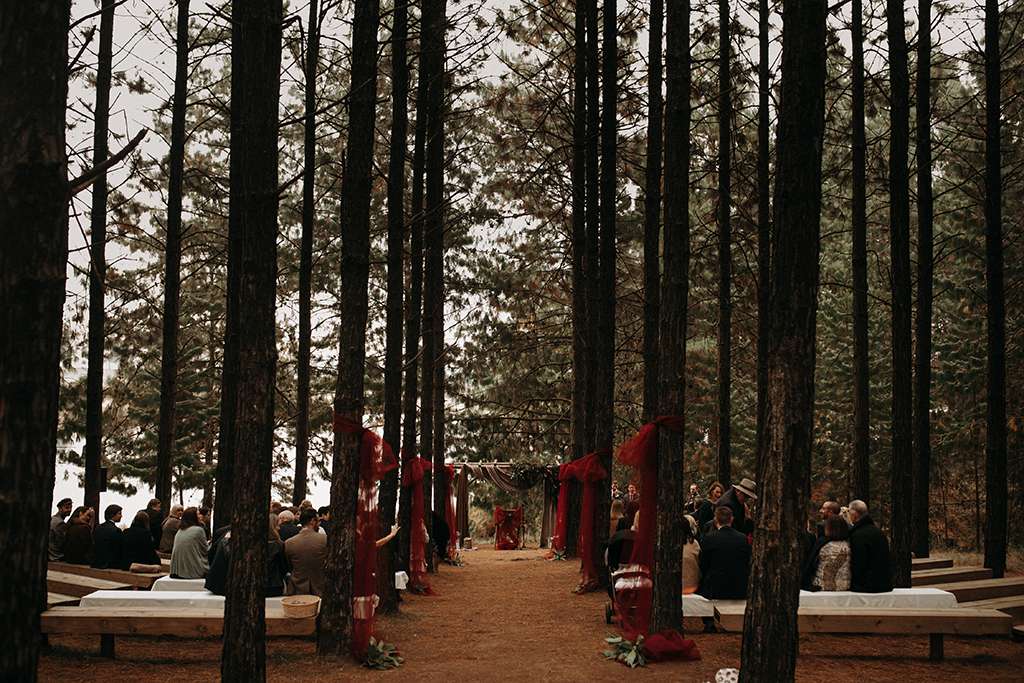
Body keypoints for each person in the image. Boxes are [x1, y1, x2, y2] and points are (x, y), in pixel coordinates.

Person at [697, 506, 751, 600]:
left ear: (715, 520)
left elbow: (703, 564)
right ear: (732, 519)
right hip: (738, 587)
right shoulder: (742, 538)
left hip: (715, 588)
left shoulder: (709, 538)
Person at [847, 499, 892, 593]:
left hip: (866, 586)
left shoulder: (858, 535)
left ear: (855, 513)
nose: (848, 515)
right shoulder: (878, 532)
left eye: (849, 512)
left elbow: (858, 563)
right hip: (884, 583)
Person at [285, 507, 327, 596]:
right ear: (312, 521)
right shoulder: (324, 540)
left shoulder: (289, 543)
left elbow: (289, 565)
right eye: (318, 521)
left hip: (297, 588)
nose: (319, 523)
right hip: (320, 586)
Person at [803, 516, 852, 591]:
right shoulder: (849, 545)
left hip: (821, 585)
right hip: (845, 585)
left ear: (828, 528)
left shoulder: (822, 543)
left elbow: (810, 563)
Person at [170, 507, 209, 579]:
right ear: (193, 517)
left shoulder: (179, 531)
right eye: (198, 514)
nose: (200, 516)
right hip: (192, 571)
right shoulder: (199, 530)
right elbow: (206, 550)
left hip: (176, 572)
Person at [92, 505, 127, 569]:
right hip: (110, 564)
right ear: (113, 514)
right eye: (119, 514)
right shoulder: (116, 530)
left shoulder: (98, 527)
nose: (121, 516)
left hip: (97, 562)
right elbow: (118, 550)